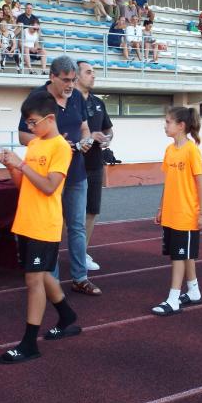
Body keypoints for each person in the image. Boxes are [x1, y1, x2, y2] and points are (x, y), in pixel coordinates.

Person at [0, 92, 81, 364]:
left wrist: (21, 164)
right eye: (27, 123)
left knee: (34, 280)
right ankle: (67, 315)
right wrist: (13, 168)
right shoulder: (34, 146)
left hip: (45, 224)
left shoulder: (60, 147)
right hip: (26, 221)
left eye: (33, 122)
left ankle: (29, 343)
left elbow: (48, 187)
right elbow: (25, 184)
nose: (30, 128)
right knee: (41, 274)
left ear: (50, 119)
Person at [18, 56, 102, 296]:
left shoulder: (75, 95)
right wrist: (54, 143)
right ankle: (51, 281)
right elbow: (23, 135)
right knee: (52, 228)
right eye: (66, 80)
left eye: (73, 80)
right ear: (52, 76)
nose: (70, 85)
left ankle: (80, 277)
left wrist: (85, 141)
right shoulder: (36, 98)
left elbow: (84, 126)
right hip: (49, 174)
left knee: (77, 226)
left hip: (76, 171)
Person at [151, 107, 202, 316]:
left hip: (186, 214)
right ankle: (193, 291)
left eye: (168, 122)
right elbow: (168, 182)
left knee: (178, 257)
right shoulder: (169, 150)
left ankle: (173, 299)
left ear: (181, 126)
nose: (165, 126)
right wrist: (161, 207)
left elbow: (200, 183)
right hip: (171, 213)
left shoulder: (192, 150)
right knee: (184, 255)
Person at [76, 61, 113, 272]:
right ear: (77, 76)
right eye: (89, 72)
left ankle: (82, 252)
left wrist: (107, 139)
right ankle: (63, 250)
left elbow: (109, 130)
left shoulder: (99, 102)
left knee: (92, 211)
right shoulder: (68, 102)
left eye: (94, 72)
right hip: (73, 165)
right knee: (69, 214)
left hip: (95, 164)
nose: (93, 76)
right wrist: (89, 136)